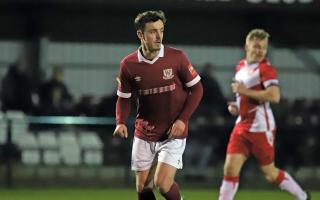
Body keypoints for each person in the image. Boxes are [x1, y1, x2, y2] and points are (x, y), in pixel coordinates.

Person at [113, 10, 203, 200]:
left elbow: (197, 90)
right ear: (140, 34)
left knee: (162, 184)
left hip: (173, 132)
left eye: (161, 30)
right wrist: (120, 121)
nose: (159, 36)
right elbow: (123, 98)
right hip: (144, 132)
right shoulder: (128, 65)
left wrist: (182, 120)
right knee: (143, 188)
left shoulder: (177, 57)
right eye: (153, 31)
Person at [218, 29, 310, 200]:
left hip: (261, 128)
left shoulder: (266, 69)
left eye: (263, 48)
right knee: (230, 169)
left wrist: (244, 91)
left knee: (269, 173)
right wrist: (237, 107)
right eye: (256, 46)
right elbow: (245, 97)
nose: (260, 51)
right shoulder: (240, 66)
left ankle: (303, 196)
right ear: (247, 46)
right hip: (242, 126)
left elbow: (274, 96)